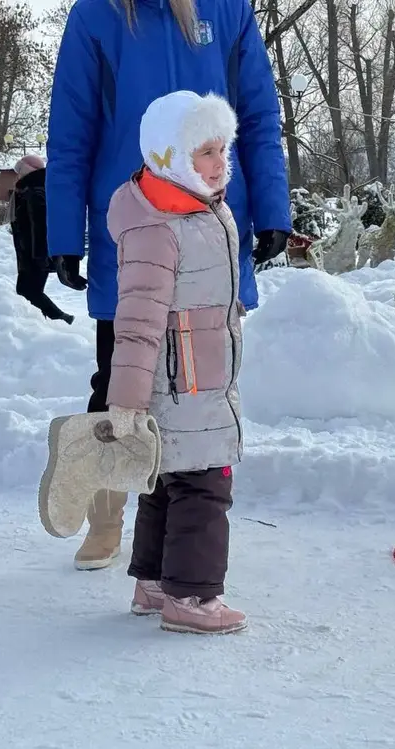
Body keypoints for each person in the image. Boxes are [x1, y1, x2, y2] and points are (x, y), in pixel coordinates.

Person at [44, 0, 291, 569]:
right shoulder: (97, 15)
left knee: (199, 384)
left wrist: (274, 208)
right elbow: (72, 125)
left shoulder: (228, 11)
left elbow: (258, 115)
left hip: (211, 226)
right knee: (122, 376)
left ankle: (183, 536)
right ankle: (107, 519)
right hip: (131, 227)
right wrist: (63, 231)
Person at [105, 91, 246, 634]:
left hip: (200, 376)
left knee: (168, 480)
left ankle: (156, 583)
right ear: (170, 156)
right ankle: (192, 598)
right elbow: (138, 320)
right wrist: (126, 401)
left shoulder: (200, 208)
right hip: (181, 381)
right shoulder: (157, 225)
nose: (219, 163)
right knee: (205, 485)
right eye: (206, 152)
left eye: (222, 149)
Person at [10, 155, 74, 325]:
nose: (17, 176)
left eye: (19, 172)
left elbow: (40, 225)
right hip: (30, 251)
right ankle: (41, 322)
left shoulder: (35, 190)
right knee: (27, 290)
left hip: (35, 253)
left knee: (29, 291)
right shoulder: (32, 188)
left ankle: (61, 319)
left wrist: (40, 256)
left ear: (26, 171)